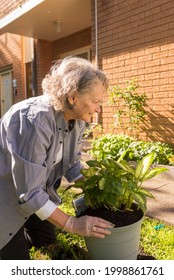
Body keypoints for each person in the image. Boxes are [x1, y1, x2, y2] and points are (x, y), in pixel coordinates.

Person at [0, 56, 114, 260]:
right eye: (96, 101)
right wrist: (72, 223)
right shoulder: (34, 120)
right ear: (72, 97)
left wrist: (98, 187)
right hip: (6, 196)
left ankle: (28, 227)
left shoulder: (77, 119)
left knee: (46, 241)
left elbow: (71, 164)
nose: (98, 109)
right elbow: (29, 193)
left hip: (34, 189)